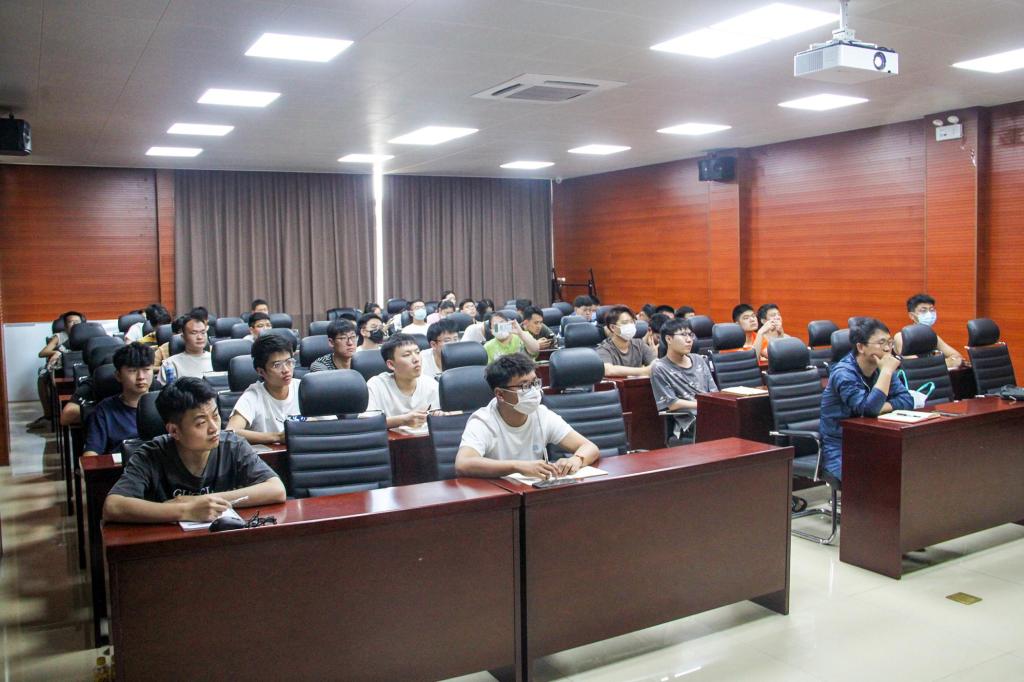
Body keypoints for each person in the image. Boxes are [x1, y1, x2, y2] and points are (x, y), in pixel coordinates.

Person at [102, 377, 285, 523]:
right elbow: (112, 506)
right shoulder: (151, 454)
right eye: (201, 422)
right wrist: (185, 510)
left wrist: (205, 501)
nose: (214, 428)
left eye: (215, 416)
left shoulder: (232, 445)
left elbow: (276, 489)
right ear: (174, 431)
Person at [455, 353, 599, 479]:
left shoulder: (542, 414)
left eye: (535, 383)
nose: (534, 391)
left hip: (532, 491)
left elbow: (589, 447)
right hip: (497, 493)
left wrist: (576, 460)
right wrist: (517, 466)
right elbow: (463, 463)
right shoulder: (483, 420)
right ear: (500, 394)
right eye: (525, 386)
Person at [820, 317, 914, 481]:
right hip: (841, 447)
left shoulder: (882, 368)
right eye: (881, 343)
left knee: (905, 474)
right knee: (869, 481)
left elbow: (907, 400)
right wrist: (886, 373)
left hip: (873, 441)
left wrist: (880, 406)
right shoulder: (844, 373)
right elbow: (868, 409)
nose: (888, 349)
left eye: (890, 343)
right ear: (861, 347)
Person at [650, 318, 718, 441]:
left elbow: (714, 392)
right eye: (683, 335)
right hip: (689, 421)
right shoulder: (660, 367)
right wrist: (703, 405)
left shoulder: (698, 359)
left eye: (690, 335)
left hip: (711, 413)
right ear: (669, 339)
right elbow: (672, 403)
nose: (689, 340)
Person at [83, 343, 155, 456]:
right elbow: (91, 453)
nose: (141, 377)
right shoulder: (104, 411)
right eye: (132, 370)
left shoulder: (165, 404)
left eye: (146, 369)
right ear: (118, 375)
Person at [227, 334, 300, 445]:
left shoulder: (304, 388)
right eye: (277, 365)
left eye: (289, 362)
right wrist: (277, 437)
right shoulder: (253, 395)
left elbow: (327, 424)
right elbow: (231, 432)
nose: (286, 370)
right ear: (261, 371)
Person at [366, 334, 440, 433]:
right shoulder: (376, 385)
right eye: (407, 355)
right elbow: (367, 423)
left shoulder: (430, 384)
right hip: (391, 441)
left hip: (427, 439)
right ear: (391, 364)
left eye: (417, 352)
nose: (416, 359)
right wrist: (402, 420)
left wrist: (442, 415)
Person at [31, 310, 84, 430]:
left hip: (80, 368)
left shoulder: (86, 335)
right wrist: (57, 352)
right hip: (61, 369)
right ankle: (48, 416)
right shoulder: (60, 336)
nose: (74, 324)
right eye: (71, 322)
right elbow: (42, 353)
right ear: (65, 325)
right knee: (43, 378)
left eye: (77, 322)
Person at [893, 293, 964, 369]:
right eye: (923, 310)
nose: (929, 314)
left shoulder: (932, 336)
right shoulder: (901, 337)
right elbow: (914, 364)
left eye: (931, 310)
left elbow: (957, 356)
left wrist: (939, 362)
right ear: (912, 316)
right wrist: (946, 362)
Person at [596, 305, 656, 377]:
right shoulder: (603, 349)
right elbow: (609, 370)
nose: (630, 325)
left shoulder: (639, 344)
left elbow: (655, 364)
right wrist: (644, 371)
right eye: (625, 322)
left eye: (632, 322)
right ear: (613, 327)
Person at [159, 313, 212, 383]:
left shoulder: (217, 360)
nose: (200, 337)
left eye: (203, 332)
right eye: (194, 333)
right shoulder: (170, 364)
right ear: (183, 337)